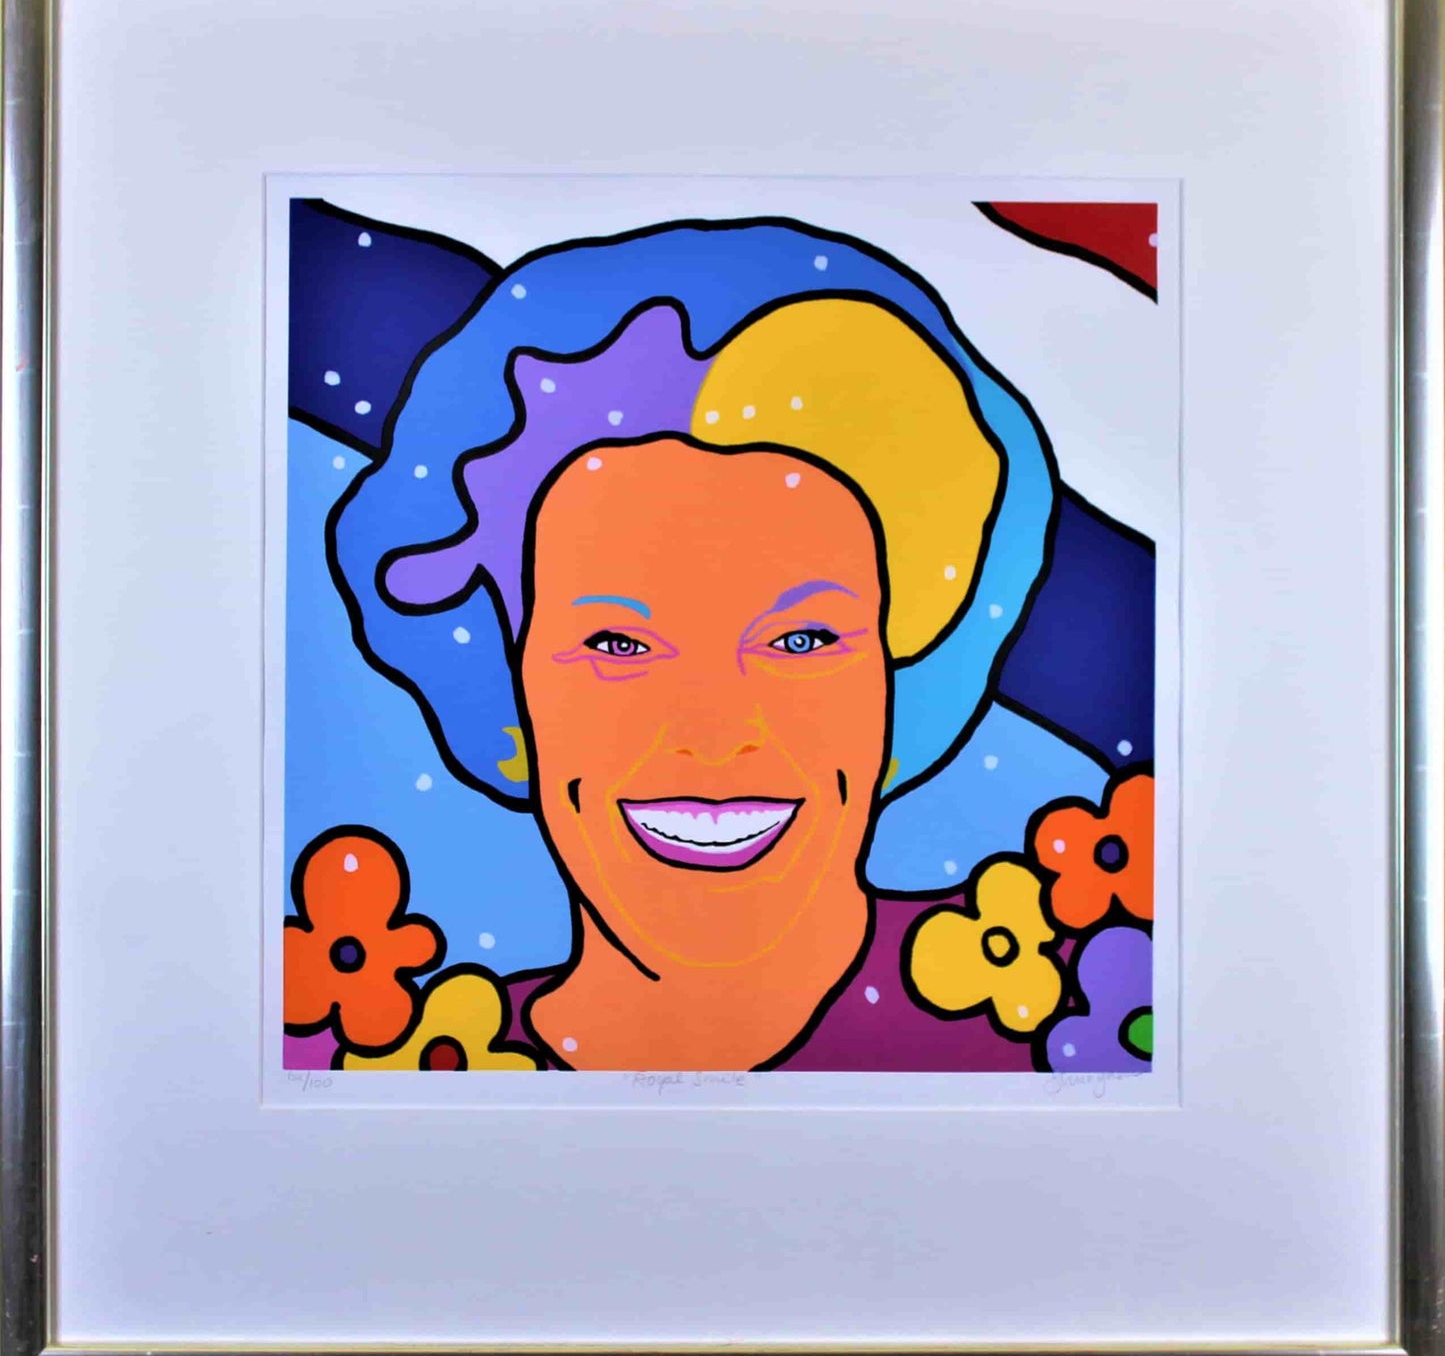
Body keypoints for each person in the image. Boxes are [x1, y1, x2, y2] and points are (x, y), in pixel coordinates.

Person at [286, 219, 1154, 1073]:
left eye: (802, 639)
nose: (713, 733)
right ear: (508, 687)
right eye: (618, 644)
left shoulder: (1076, 1009)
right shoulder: (407, 1056)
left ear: (904, 682)